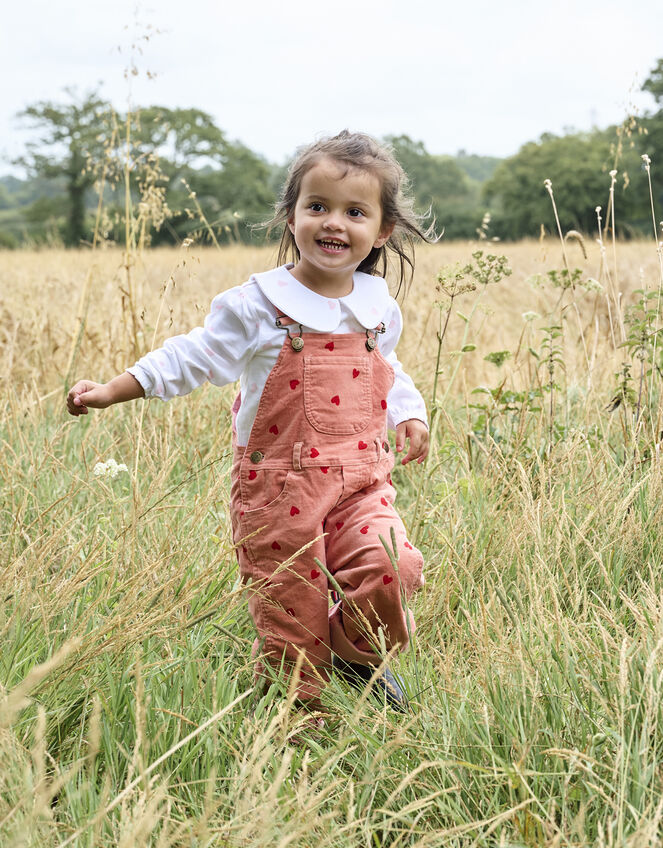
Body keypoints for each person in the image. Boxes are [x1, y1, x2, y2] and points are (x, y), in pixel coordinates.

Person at [67, 130, 431, 712]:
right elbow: (193, 356)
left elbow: (386, 366)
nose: (333, 223)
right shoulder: (259, 305)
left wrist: (409, 412)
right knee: (293, 617)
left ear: (382, 230)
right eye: (317, 207)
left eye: (354, 212)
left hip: (363, 480)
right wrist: (115, 389)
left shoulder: (377, 305)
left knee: (394, 565)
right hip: (279, 489)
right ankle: (298, 734)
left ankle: (353, 658)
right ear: (292, 217)